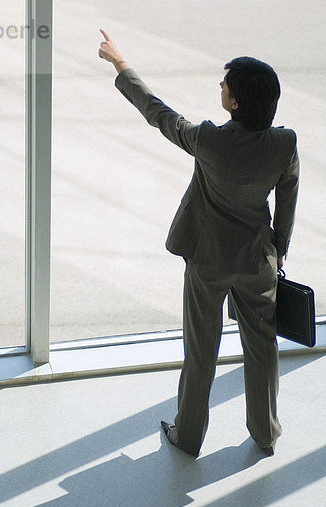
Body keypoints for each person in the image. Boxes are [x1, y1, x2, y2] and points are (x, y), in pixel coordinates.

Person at [98, 29, 299, 457]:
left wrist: (121, 65)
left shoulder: (208, 140)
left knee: (201, 349)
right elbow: (287, 200)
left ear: (236, 102)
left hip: (207, 260)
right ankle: (265, 433)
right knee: (261, 348)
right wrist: (278, 247)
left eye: (224, 84)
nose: (220, 87)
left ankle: (188, 436)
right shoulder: (285, 143)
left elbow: (159, 114)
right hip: (257, 261)